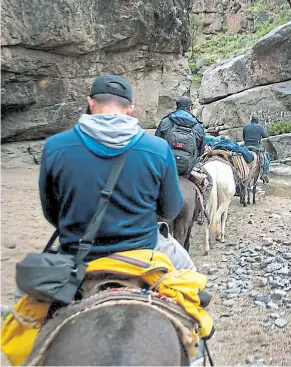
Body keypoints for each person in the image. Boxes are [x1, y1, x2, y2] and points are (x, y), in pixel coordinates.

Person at [13, 75, 192, 302]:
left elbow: (51, 213)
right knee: (190, 276)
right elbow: (171, 209)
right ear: (130, 109)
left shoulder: (55, 147)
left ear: (90, 102)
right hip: (145, 251)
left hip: (77, 255)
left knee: (24, 303)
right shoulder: (157, 149)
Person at [155, 96, 212, 224]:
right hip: (188, 168)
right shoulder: (197, 126)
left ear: (177, 106)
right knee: (209, 182)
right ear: (191, 108)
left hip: (166, 166)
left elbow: (157, 142)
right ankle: (200, 213)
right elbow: (201, 150)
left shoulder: (165, 121)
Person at [242, 115, 270, 182]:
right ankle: (264, 173)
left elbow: (244, 137)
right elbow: (264, 136)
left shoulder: (245, 127)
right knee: (267, 158)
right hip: (256, 146)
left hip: (246, 146)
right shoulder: (259, 127)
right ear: (257, 121)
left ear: (251, 120)